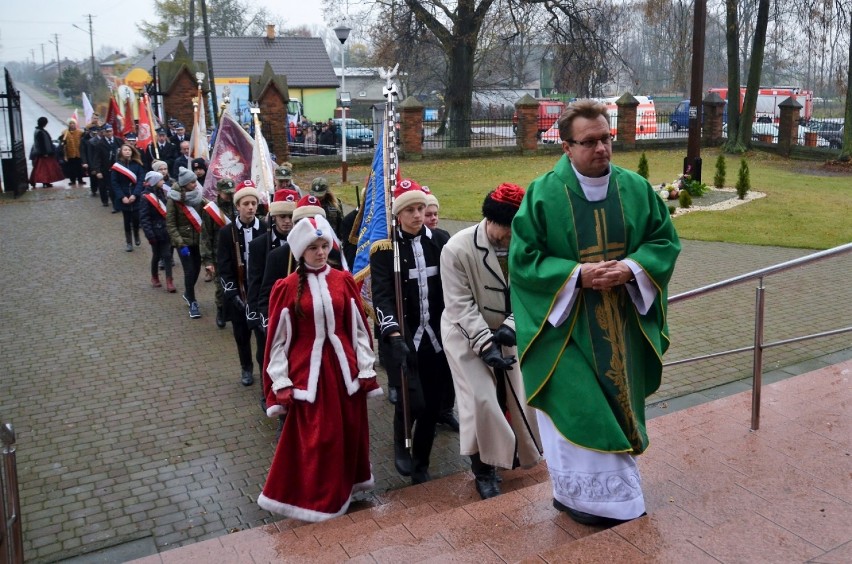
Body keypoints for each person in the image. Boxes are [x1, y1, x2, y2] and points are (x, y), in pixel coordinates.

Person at [509, 99, 680, 526]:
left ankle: (603, 499)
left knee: (616, 405)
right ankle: (589, 498)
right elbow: (524, 260)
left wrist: (631, 268)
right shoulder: (543, 194)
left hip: (623, 324)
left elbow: (664, 242)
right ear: (566, 146)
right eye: (589, 142)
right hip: (565, 333)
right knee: (581, 408)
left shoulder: (636, 189)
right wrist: (575, 276)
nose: (601, 148)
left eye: (606, 138)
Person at [257, 214, 381, 522]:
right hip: (308, 376)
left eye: (325, 245)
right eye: (314, 247)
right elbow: (277, 341)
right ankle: (317, 497)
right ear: (301, 251)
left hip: (343, 374)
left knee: (347, 434)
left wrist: (365, 368)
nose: (321, 252)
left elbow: (359, 329)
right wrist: (280, 381)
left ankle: (344, 489)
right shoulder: (286, 287)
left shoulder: (342, 281)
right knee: (319, 439)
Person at [440, 184, 543, 500]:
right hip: (464, 335)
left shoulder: (525, 245)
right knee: (481, 400)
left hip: (508, 334)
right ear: (491, 219)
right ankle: (484, 471)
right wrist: (485, 344)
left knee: (516, 396)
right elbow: (459, 304)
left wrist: (512, 327)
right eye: (508, 226)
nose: (513, 233)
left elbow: (531, 290)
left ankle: (512, 453)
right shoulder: (457, 249)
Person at [370, 179, 452, 485]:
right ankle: (400, 442)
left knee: (431, 405)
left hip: (437, 337)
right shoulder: (385, 250)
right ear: (398, 215)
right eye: (411, 210)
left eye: (421, 208)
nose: (418, 215)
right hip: (403, 338)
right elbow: (382, 294)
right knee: (412, 400)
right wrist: (392, 332)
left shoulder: (441, 240)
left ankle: (421, 462)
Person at [217, 180, 267, 386]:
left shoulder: (265, 229)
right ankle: (246, 367)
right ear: (237, 206)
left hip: (259, 294)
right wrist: (234, 296)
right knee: (241, 335)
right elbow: (224, 267)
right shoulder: (226, 232)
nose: (250, 207)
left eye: (253, 203)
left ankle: (264, 368)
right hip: (238, 293)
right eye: (245, 203)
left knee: (262, 337)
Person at [421, 191, 458, 432]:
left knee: (448, 365)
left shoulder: (443, 237)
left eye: (436, 214)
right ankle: (428, 413)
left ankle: (446, 409)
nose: (433, 218)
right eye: (428, 214)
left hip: (444, 310)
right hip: (422, 314)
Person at [246, 188, 297, 333]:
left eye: (291, 216)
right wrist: (255, 314)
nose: (287, 221)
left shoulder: (303, 243)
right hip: (269, 306)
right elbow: (255, 281)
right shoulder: (258, 245)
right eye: (282, 216)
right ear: (274, 217)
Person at [167, 166, 208, 319]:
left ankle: (187, 292)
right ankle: (192, 301)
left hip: (198, 239)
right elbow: (170, 224)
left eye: (195, 181)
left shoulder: (198, 196)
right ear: (185, 184)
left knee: (196, 269)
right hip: (183, 242)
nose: (195, 184)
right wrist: (180, 243)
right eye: (192, 182)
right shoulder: (174, 199)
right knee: (189, 270)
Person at [201, 178, 237, 328]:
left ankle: (236, 313)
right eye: (226, 193)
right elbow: (205, 236)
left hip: (236, 253)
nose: (229, 196)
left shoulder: (237, 206)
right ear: (218, 192)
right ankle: (221, 311)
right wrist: (207, 261)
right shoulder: (211, 210)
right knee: (221, 287)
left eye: (231, 193)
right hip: (218, 255)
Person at [140, 170, 176, 292]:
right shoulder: (146, 198)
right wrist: (150, 235)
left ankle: (169, 280)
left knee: (167, 255)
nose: (163, 181)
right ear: (155, 182)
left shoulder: (163, 193)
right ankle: (154, 277)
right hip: (155, 232)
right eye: (160, 180)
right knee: (156, 255)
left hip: (165, 230)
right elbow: (144, 218)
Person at [110, 143, 145, 252]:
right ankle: (129, 242)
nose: (127, 152)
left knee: (136, 219)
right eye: (125, 150)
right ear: (121, 152)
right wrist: (122, 196)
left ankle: (136, 235)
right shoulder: (117, 166)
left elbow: (140, 180)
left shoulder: (137, 165)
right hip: (124, 196)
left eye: (129, 150)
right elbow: (114, 183)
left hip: (135, 195)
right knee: (126, 220)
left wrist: (135, 194)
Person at [91, 124, 124, 208]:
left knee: (118, 186)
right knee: (109, 187)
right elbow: (96, 158)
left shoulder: (119, 141)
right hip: (105, 169)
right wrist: (98, 171)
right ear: (103, 132)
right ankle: (109, 202)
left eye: (110, 131)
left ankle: (118, 203)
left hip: (118, 168)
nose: (109, 133)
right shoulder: (99, 144)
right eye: (107, 132)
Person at [28, 116, 64, 188]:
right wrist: (45, 153)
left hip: (43, 153)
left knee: (40, 169)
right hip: (44, 154)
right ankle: (43, 181)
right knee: (44, 169)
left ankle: (43, 181)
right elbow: (42, 144)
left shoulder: (39, 131)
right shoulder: (40, 132)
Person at [59, 118, 85, 186]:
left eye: (73, 123)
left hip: (78, 153)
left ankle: (80, 179)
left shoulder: (80, 132)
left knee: (79, 168)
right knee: (71, 168)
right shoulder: (65, 132)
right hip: (69, 153)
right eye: (70, 123)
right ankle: (72, 180)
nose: (72, 125)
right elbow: (61, 141)